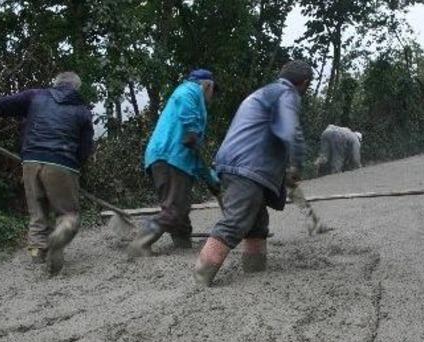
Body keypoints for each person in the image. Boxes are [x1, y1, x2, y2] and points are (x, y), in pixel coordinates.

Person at [0, 71, 94, 275]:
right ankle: (61, 231)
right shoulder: (82, 111)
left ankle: (38, 253)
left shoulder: (36, 96)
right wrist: (75, 168)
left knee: (37, 212)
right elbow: (85, 149)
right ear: (76, 88)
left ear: (55, 84)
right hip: (62, 162)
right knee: (68, 214)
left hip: (31, 160)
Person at [193, 60, 313, 286]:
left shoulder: (263, 93)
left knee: (257, 222)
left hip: (234, 162)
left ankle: (255, 270)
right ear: (304, 83)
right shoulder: (287, 95)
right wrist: (296, 165)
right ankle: (201, 277)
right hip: (247, 167)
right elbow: (291, 132)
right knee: (236, 221)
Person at [128, 69, 219, 256]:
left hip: (170, 157)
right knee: (175, 209)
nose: (212, 97)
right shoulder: (190, 90)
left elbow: (195, 155)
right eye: (213, 91)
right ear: (207, 84)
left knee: (181, 206)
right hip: (170, 156)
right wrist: (193, 130)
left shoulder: (189, 100)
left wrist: (211, 180)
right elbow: (190, 132)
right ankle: (140, 242)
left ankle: (182, 243)